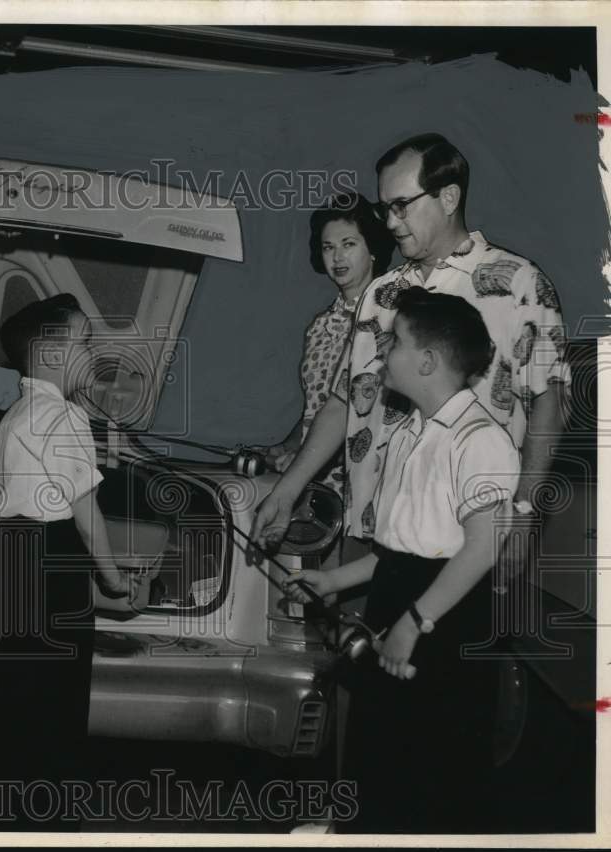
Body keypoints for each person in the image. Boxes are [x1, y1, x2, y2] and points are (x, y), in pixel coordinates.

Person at [251, 132, 570, 559]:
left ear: (449, 197)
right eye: (386, 208)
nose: (389, 222)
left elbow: (551, 403)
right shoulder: (381, 294)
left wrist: (523, 510)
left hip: (467, 537)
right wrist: (286, 491)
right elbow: (345, 399)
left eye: (401, 206)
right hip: (371, 532)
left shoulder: (519, 284)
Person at [283, 287, 519, 832]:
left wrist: (414, 622)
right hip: (407, 595)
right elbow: (403, 549)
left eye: (394, 342)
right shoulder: (412, 431)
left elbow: (480, 550)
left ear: (429, 361)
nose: (382, 353)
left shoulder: (480, 440)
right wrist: (334, 579)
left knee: (433, 771)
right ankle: (362, 830)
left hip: (445, 618)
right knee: (381, 748)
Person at [0, 294, 132, 827]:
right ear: (49, 353)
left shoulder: (11, 420)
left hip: (11, 572)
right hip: (52, 573)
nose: (94, 354)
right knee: (59, 715)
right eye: (85, 342)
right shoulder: (63, 416)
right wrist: (113, 579)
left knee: (19, 715)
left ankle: (7, 826)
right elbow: (85, 508)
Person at [265, 192, 395, 499]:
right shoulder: (322, 325)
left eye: (349, 244)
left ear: (372, 248)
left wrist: (304, 463)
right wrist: (288, 445)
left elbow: (372, 415)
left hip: (366, 481)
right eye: (328, 247)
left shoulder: (390, 319)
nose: (337, 257)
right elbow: (322, 406)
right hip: (313, 480)